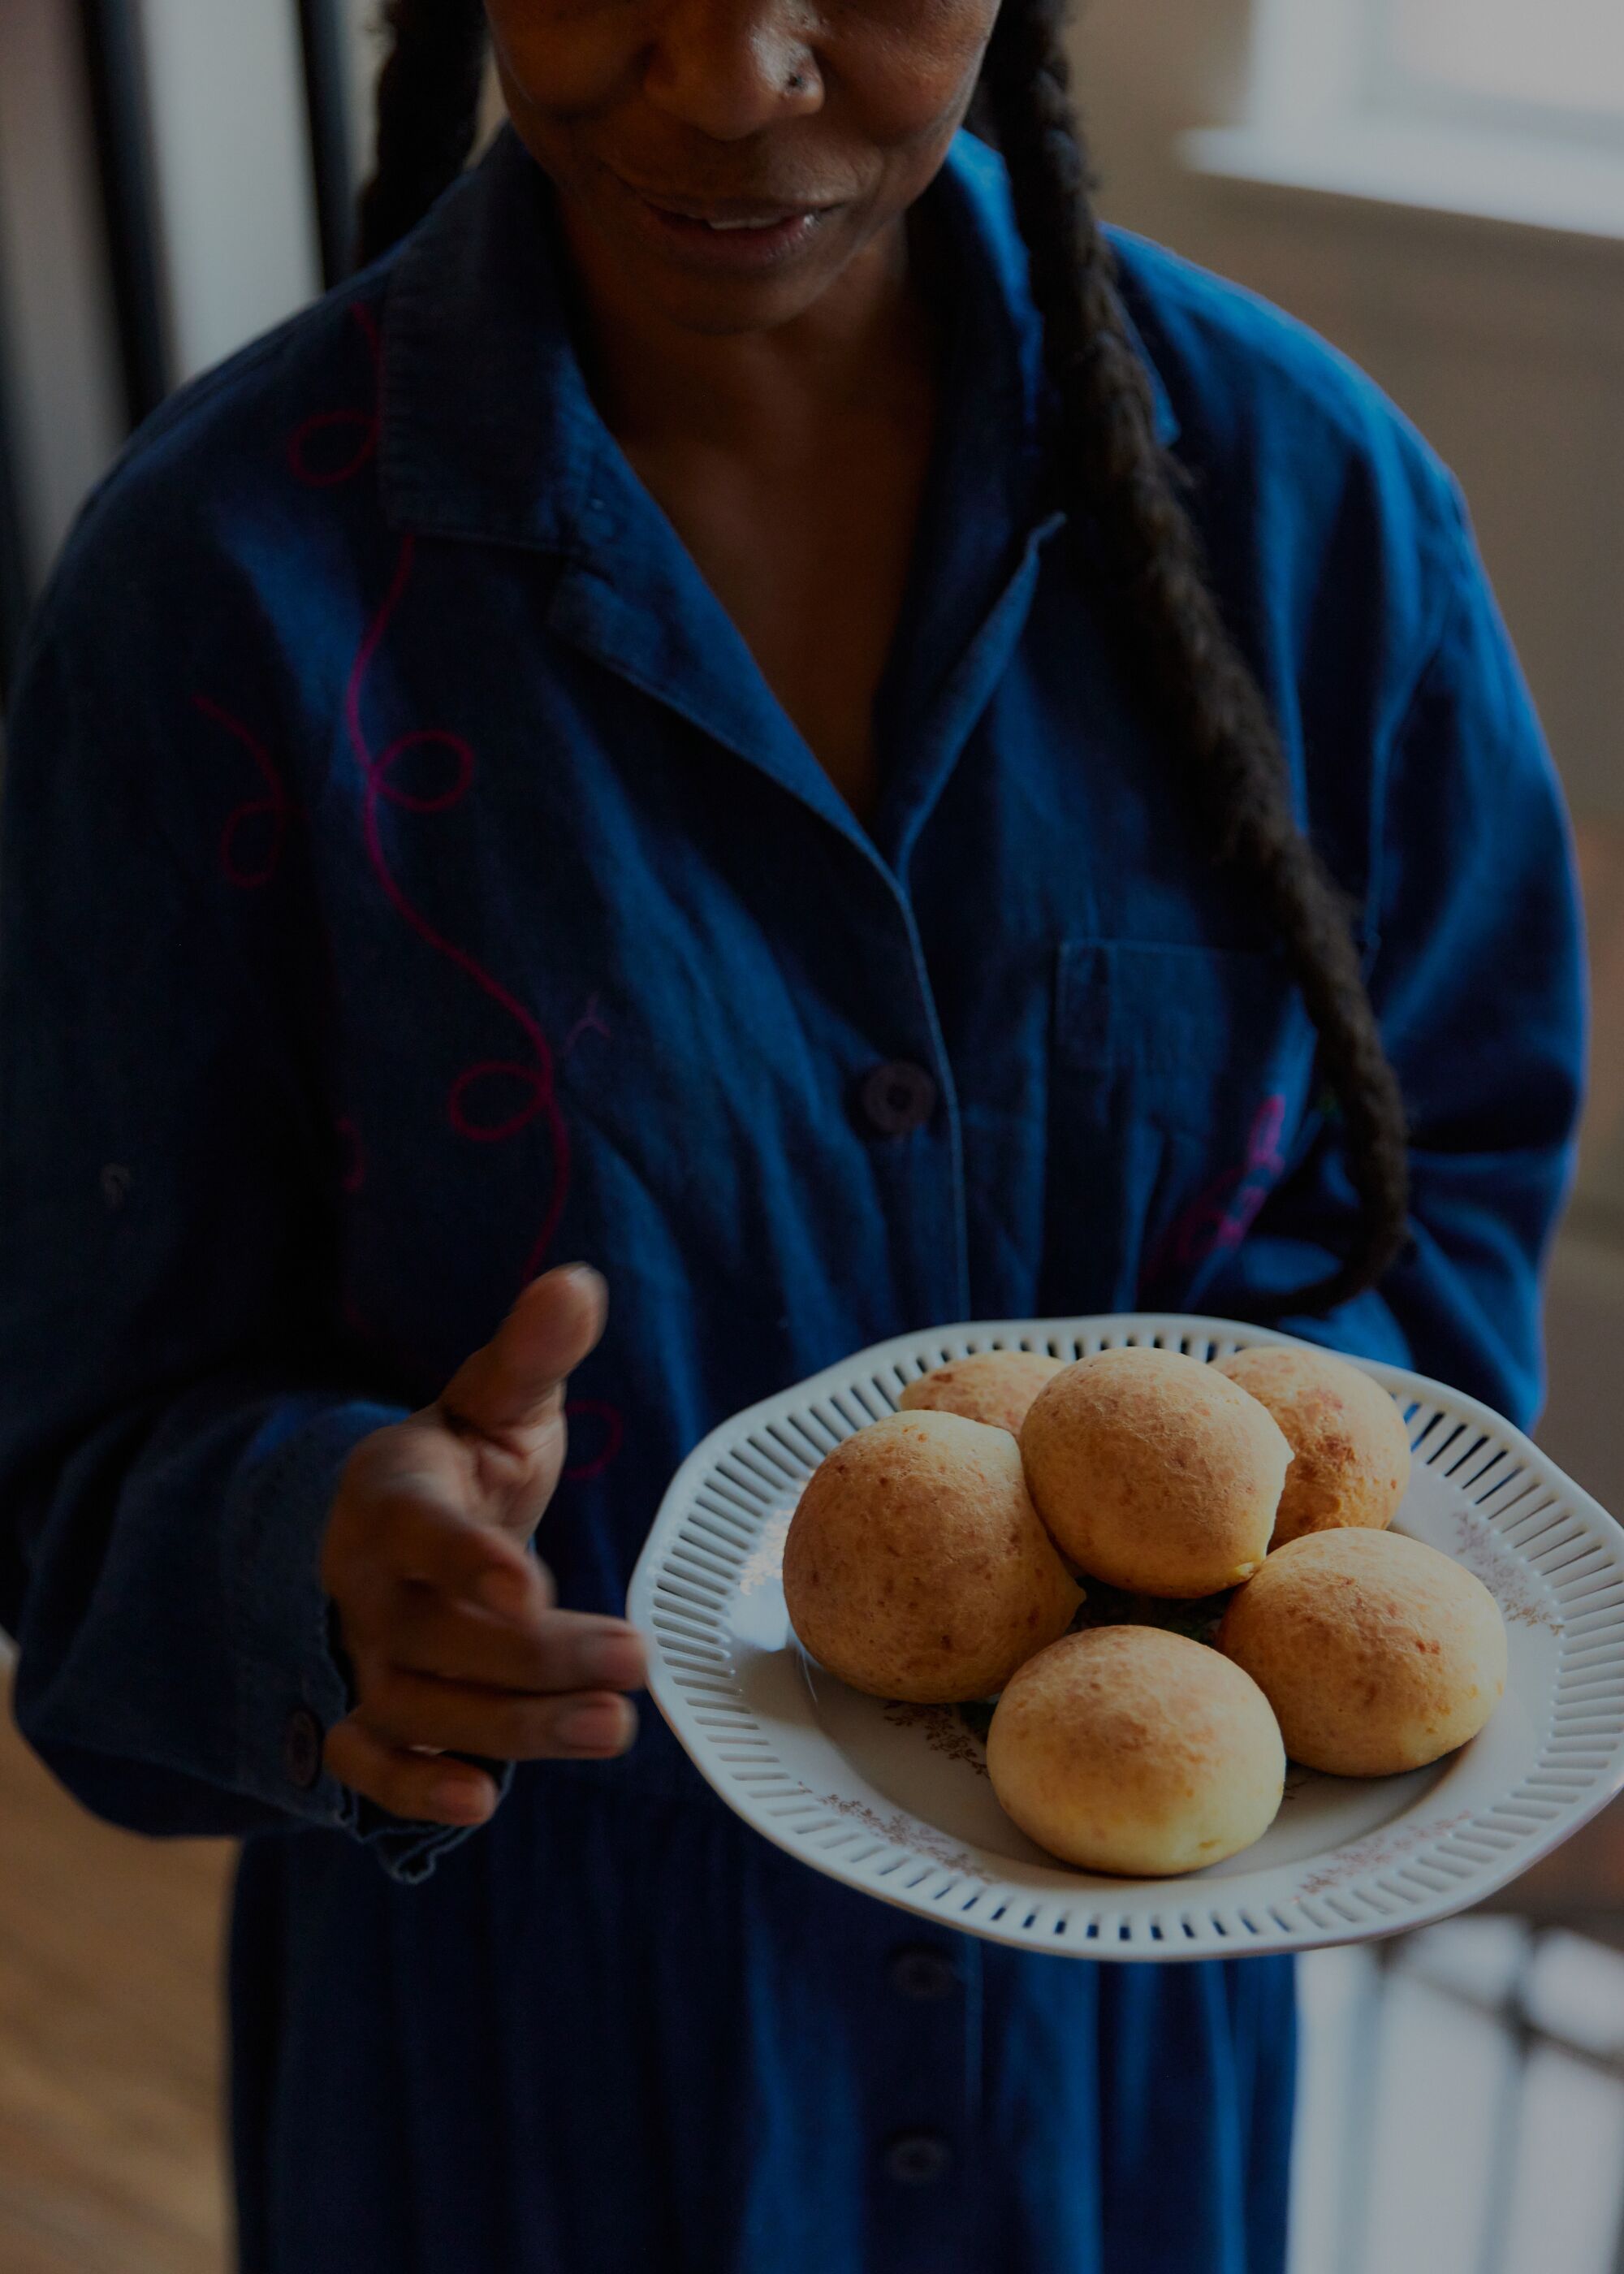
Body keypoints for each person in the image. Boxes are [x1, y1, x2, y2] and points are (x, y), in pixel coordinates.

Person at [0, 0, 1583, 2266]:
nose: (738, 77)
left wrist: (1260, 1613)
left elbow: (1443, 1201)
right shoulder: (217, 590)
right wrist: (314, 1546)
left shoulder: (1312, 518)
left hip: (1111, 2068)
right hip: (528, 2080)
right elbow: (80, 1455)